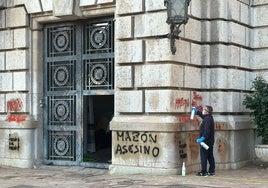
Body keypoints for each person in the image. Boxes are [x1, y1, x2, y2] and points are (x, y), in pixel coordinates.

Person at [192, 105, 215, 176]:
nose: (203, 110)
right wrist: (197, 112)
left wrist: (202, 138)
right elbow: (203, 116)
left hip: (206, 141)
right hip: (210, 141)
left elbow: (207, 131)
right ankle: (211, 170)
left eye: (204, 109)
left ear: (207, 111)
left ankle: (203, 171)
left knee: (204, 156)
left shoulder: (207, 119)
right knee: (210, 156)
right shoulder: (209, 117)